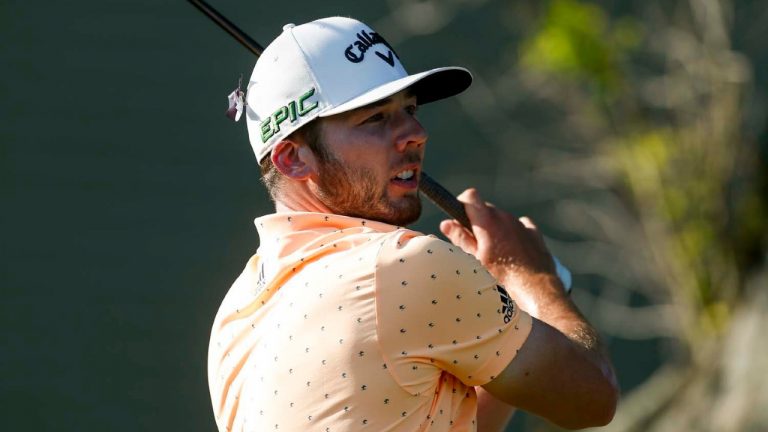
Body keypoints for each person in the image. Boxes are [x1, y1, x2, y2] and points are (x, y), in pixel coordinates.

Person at [207, 16, 618, 432]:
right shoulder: (403, 266)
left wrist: (492, 298)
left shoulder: (236, 311)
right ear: (293, 158)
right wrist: (531, 276)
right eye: (375, 119)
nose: (416, 133)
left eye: (408, 109)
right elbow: (592, 398)